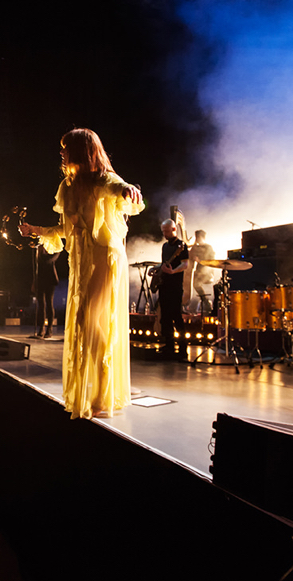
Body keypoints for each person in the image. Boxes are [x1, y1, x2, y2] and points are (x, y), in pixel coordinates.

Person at [19, 128, 144, 419]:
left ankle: (101, 397)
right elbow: (66, 230)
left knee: (95, 322)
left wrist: (130, 191)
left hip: (104, 259)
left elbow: (124, 192)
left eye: (66, 148)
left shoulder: (105, 179)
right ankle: (94, 393)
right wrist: (35, 230)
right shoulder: (67, 186)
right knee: (82, 323)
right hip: (80, 263)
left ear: (80, 151)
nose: (61, 153)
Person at [156, 219, 189, 360]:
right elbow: (164, 263)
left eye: (167, 231)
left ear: (174, 229)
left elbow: (185, 264)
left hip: (175, 286)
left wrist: (173, 271)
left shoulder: (181, 245)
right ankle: (169, 346)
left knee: (177, 317)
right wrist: (156, 269)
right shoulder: (164, 246)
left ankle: (183, 349)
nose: (164, 234)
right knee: (165, 318)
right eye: (163, 231)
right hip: (164, 285)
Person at [33, 244, 60, 338]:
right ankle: (41, 329)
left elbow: (48, 260)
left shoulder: (54, 249)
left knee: (49, 303)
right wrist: (34, 282)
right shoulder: (38, 251)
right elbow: (37, 268)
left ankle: (49, 329)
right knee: (41, 305)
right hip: (40, 280)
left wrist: (41, 252)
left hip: (50, 280)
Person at [187, 229, 215, 314]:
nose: (197, 239)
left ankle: (206, 302)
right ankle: (190, 305)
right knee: (188, 281)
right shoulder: (196, 247)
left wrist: (200, 260)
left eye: (198, 237)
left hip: (207, 271)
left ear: (202, 237)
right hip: (198, 271)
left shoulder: (208, 247)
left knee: (196, 283)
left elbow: (212, 260)